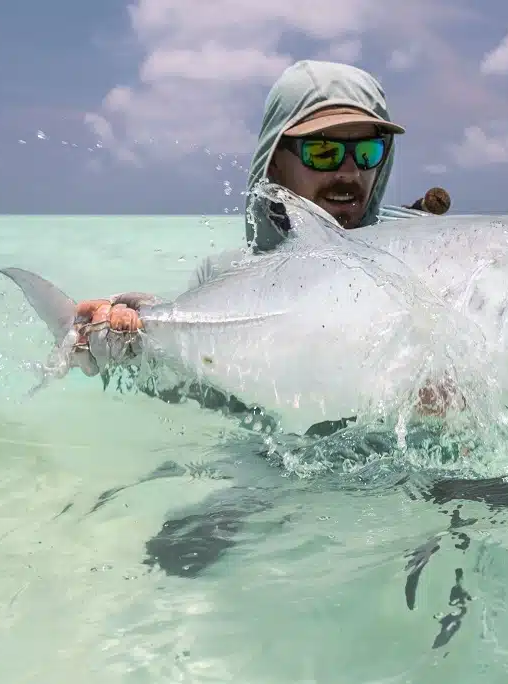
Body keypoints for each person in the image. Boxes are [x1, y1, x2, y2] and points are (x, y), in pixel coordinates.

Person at [71, 60, 455, 428]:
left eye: (368, 152)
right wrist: (128, 342)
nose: (350, 172)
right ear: (274, 161)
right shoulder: (223, 275)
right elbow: (198, 393)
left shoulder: (424, 266)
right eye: (323, 152)